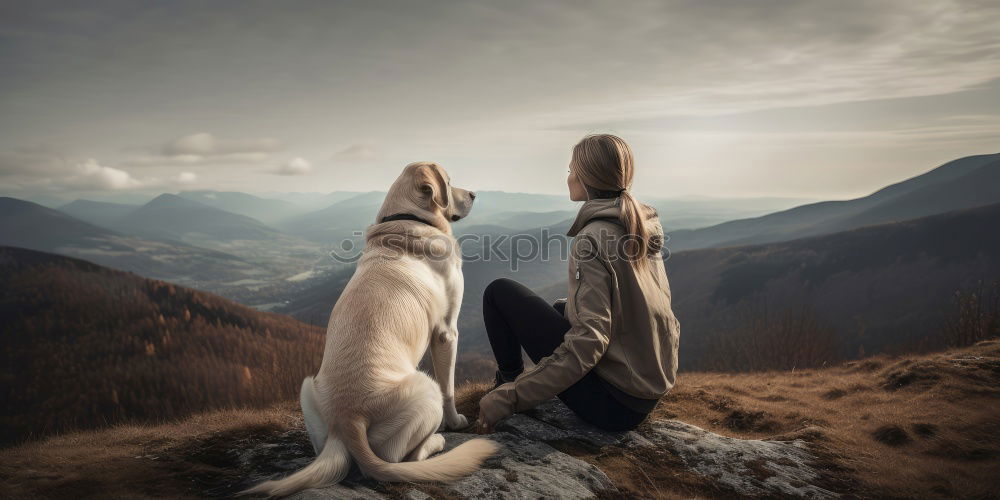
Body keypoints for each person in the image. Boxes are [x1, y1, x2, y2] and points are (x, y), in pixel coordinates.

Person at [476, 134, 680, 433]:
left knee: (499, 292)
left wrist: (512, 398)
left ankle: (507, 382)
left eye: (571, 170)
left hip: (614, 406)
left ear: (585, 177)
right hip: (647, 387)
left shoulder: (592, 237)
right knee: (562, 308)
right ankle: (514, 383)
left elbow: (590, 340)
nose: (568, 177)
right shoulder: (640, 225)